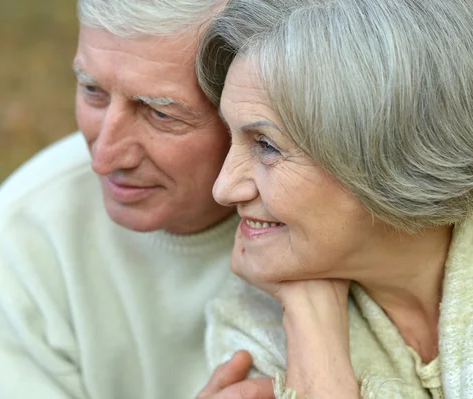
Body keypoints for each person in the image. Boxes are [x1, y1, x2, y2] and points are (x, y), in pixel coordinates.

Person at [0, 0, 277, 398]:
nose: (104, 157)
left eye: (160, 114)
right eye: (92, 91)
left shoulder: (341, 215)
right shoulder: (26, 233)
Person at [196, 0, 473, 398]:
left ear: (390, 155)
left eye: (266, 146)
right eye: (232, 137)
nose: (223, 189)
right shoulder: (252, 323)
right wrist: (311, 325)